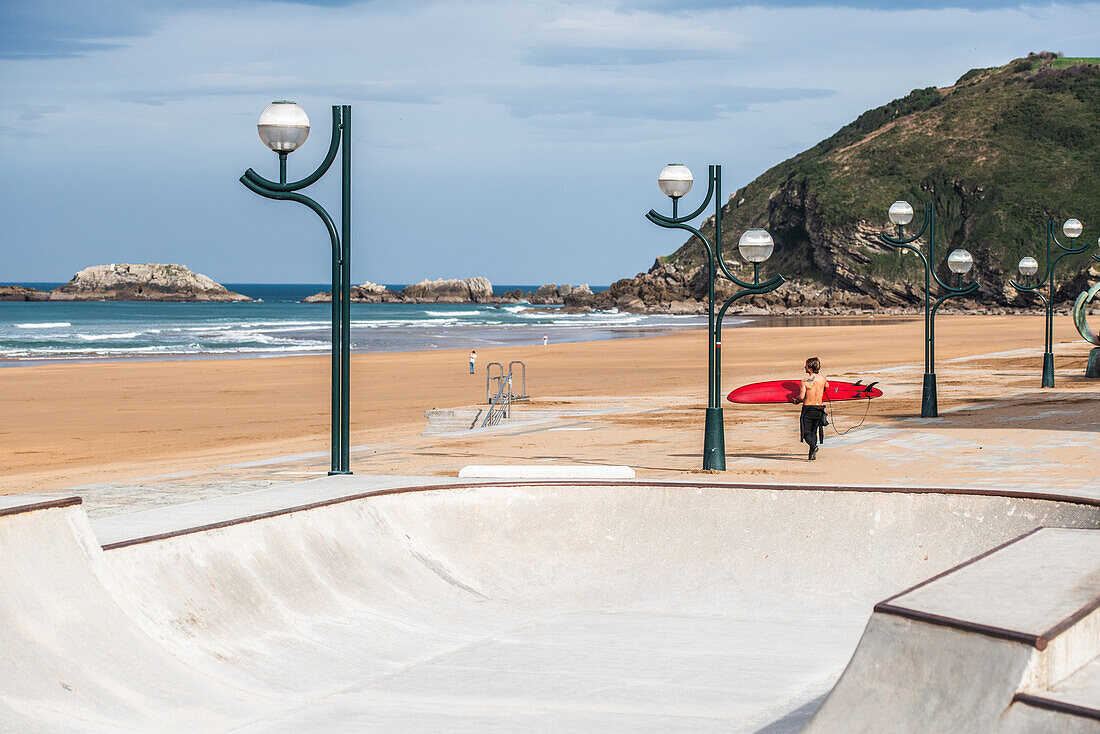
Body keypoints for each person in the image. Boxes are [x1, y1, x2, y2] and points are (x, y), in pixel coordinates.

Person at [790, 356, 829, 461]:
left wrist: (796, 401)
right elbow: (827, 387)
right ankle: (811, 455)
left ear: (810, 367)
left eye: (806, 366)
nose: (804, 367)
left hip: (808, 409)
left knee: (806, 433)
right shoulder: (823, 379)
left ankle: (814, 447)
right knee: (813, 432)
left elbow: (801, 397)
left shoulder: (805, 381)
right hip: (819, 409)